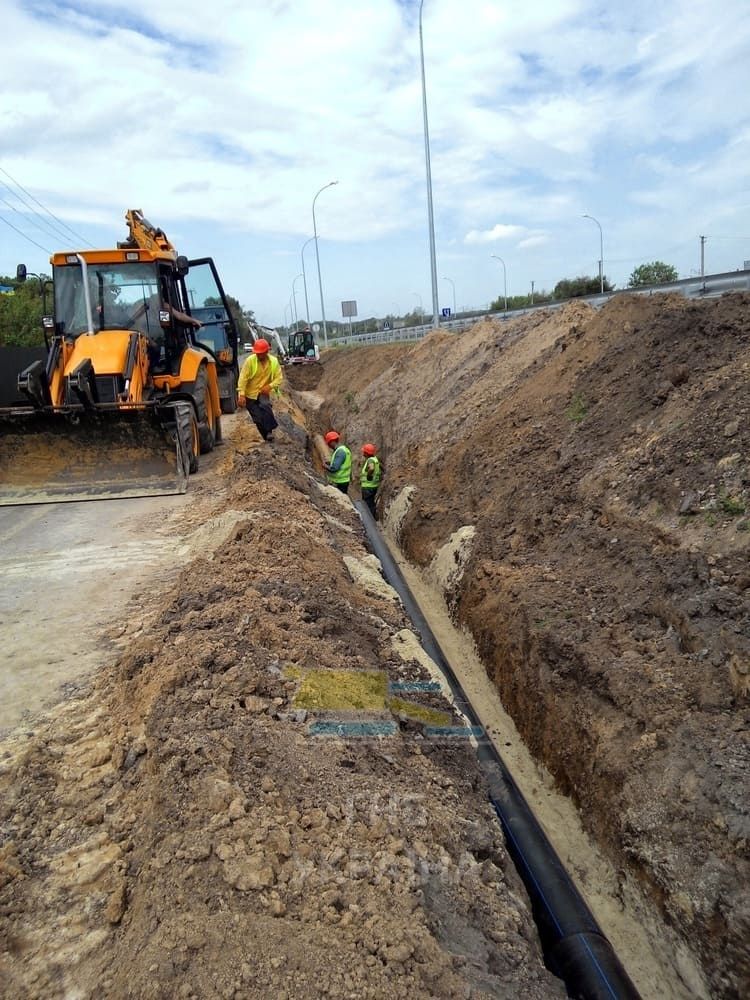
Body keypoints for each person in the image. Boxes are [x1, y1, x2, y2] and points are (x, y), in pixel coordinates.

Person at [237, 338, 283, 442]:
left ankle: (270, 431)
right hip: (250, 394)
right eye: (257, 353)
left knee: (265, 406)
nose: (258, 355)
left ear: (267, 352)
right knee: (257, 418)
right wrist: (242, 394)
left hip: (263, 392)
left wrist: (270, 386)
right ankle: (266, 437)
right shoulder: (250, 361)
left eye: (261, 353)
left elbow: (279, 378)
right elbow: (243, 378)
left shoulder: (274, 362)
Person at [359, 443, 382, 517]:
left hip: (368, 487)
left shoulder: (370, 461)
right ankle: (373, 517)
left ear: (366, 453)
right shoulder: (375, 459)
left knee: (367, 505)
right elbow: (381, 468)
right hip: (373, 486)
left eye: (364, 452)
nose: (363, 453)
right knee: (371, 503)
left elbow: (371, 468)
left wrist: (369, 476)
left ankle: (368, 519)